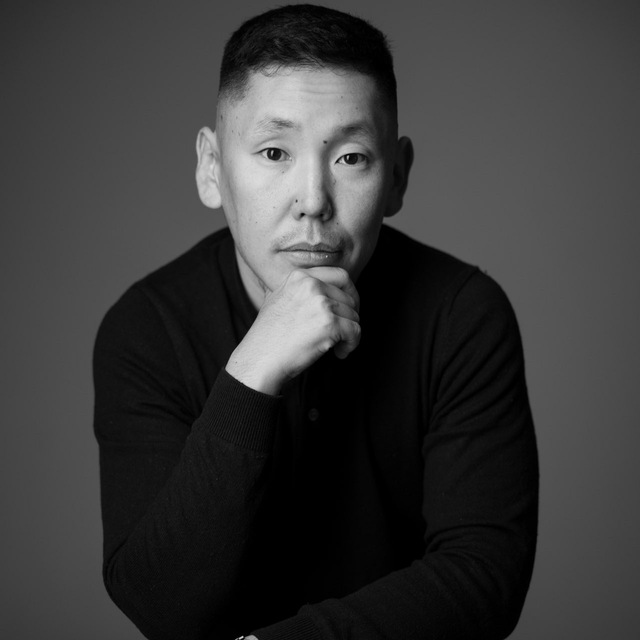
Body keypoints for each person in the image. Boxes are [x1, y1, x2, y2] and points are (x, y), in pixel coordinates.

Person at [93, 5, 538, 640]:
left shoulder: (461, 314)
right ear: (212, 168)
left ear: (397, 177)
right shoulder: (147, 328)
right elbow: (159, 604)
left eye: (351, 158)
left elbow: (483, 576)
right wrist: (253, 369)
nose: (313, 201)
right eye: (274, 151)